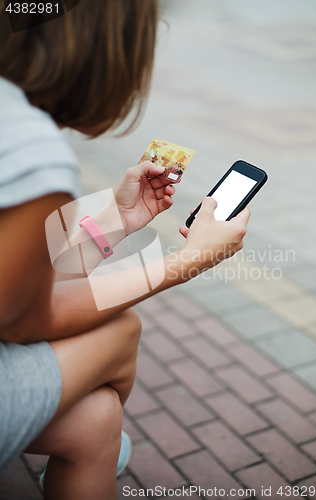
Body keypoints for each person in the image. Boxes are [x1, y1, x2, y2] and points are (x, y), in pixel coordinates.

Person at [0, 1, 250, 499]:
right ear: (109, 51)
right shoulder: (29, 148)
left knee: (97, 420)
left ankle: (101, 450)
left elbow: (16, 282)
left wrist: (117, 219)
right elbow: (23, 320)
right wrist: (186, 262)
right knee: (121, 330)